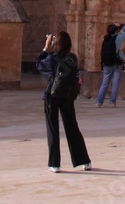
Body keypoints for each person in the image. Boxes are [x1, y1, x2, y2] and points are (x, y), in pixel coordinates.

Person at [36, 31, 91, 173]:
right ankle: (84, 161)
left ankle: (54, 164)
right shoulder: (73, 58)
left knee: (53, 129)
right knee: (72, 127)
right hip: (67, 96)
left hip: (52, 95)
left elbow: (39, 65)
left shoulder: (53, 58)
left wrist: (45, 49)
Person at [95, 22, 125, 107]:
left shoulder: (105, 38)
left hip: (107, 64)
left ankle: (98, 102)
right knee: (115, 83)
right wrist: (121, 25)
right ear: (116, 31)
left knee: (104, 83)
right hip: (116, 63)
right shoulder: (117, 38)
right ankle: (112, 102)